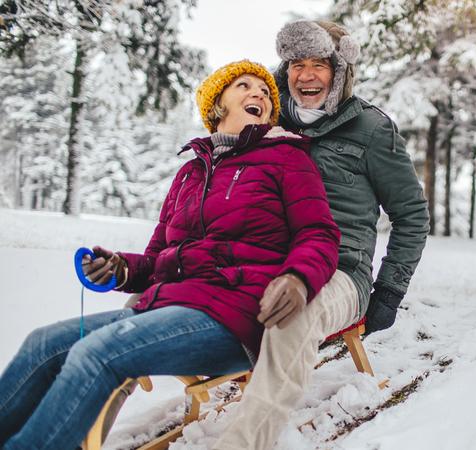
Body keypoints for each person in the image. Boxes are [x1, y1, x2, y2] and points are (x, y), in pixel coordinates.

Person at [0, 60, 341, 450]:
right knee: (43, 344)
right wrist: (122, 268)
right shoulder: (190, 174)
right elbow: (157, 257)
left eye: (264, 92)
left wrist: (298, 278)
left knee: (99, 353)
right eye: (244, 86)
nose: (259, 94)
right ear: (217, 106)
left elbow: (319, 234)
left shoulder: (286, 158)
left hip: (237, 312)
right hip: (170, 304)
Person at [214, 20, 429, 450]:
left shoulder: (371, 129)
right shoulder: (264, 117)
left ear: (340, 71)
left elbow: (412, 215)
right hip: (267, 259)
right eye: (296, 64)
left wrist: (387, 291)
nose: (306, 75)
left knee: (293, 310)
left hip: (340, 271)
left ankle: (242, 443)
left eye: (319, 65)